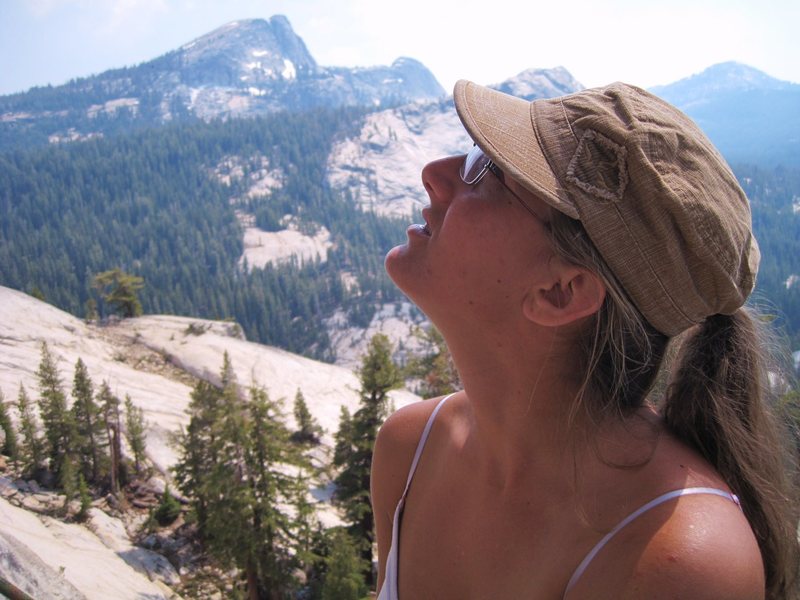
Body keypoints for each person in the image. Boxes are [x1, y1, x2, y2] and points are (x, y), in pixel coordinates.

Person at [371, 80, 800, 600]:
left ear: (561, 291)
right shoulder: (408, 446)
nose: (435, 174)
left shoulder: (677, 561)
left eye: (490, 172)